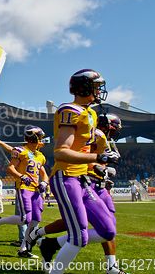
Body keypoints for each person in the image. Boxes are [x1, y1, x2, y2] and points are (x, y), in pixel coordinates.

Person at [30, 113, 127, 274]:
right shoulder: (90, 134)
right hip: (86, 182)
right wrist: (100, 166)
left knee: (107, 226)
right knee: (76, 223)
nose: (116, 132)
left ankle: (110, 266)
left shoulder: (101, 137)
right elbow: (79, 157)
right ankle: (47, 240)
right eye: (115, 128)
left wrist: (105, 171)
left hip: (99, 184)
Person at [43, 69, 118, 274]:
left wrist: (100, 167)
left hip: (82, 178)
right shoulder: (70, 110)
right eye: (96, 86)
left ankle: (50, 244)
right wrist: (98, 157)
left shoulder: (90, 113)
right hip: (66, 176)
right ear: (85, 86)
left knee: (108, 230)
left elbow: (83, 150)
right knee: (79, 238)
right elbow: (61, 152)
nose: (99, 90)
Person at [0, 126, 49, 258]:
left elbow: (44, 174)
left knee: (36, 220)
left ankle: (24, 249)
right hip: (23, 188)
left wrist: (44, 182)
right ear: (34, 138)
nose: (42, 140)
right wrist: (21, 176)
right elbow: (10, 168)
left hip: (36, 190)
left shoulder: (40, 156)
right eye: (40, 137)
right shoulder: (21, 151)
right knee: (24, 218)